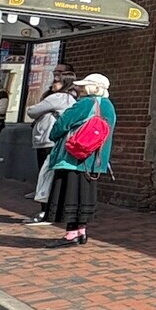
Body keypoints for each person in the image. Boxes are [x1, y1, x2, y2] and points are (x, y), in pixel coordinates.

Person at [45, 74, 114, 245]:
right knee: (84, 196)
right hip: (94, 160)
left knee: (70, 194)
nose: (80, 89)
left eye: (84, 86)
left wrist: (54, 136)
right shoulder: (109, 106)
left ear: (93, 87)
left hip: (74, 157)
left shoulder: (85, 103)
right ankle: (81, 231)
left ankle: (71, 234)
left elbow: (62, 124)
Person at [24, 72, 77, 225]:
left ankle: (45, 211)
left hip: (47, 140)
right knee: (54, 176)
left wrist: (42, 109)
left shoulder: (58, 98)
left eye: (57, 82)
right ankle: (52, 210)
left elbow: (31, 111)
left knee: (45, 175)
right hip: (58, 141)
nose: (53, 84)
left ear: (65, 83)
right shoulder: (71, 99)